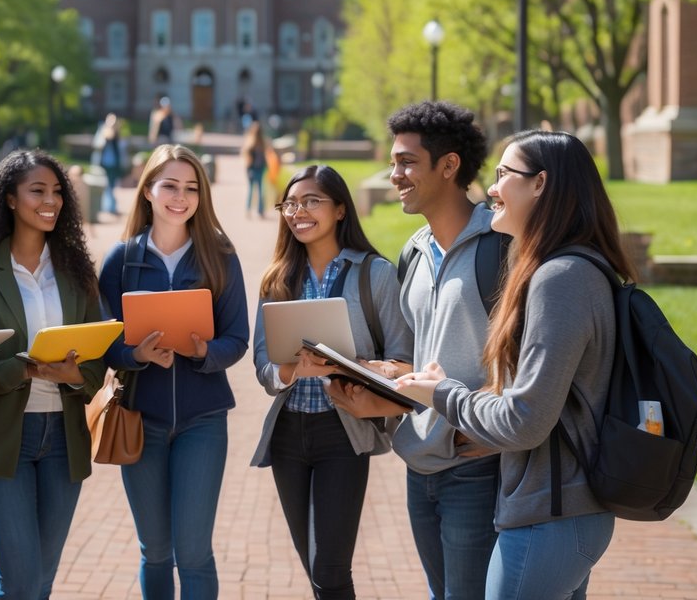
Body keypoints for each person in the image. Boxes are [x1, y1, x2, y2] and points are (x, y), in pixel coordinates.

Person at [398, 131, 627, 599]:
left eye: (504, 175)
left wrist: (442, 394)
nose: (492, 188)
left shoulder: (561, 278)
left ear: (540, 184)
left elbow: (523, 420)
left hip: (554, 512)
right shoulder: (561, 269)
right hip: (554, 508)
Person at [327, 100, 502, 600]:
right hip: (418, 461)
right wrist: (378, 376)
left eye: (406, 162)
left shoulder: (502, 245)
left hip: (475, 465)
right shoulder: (414, 251)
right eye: (393, 161)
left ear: (449, 166)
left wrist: (502, 435)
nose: (394, 174)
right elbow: (423, 358)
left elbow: (532, 355)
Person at [250, 164, 413, 599]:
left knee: (330, 567)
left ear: (340, 209)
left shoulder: (374, 274)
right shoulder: (277, 277)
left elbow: (402, 359)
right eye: (290, 203)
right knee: (314, 565)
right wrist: (290, 371)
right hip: (288, 435)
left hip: (342, 433)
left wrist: (358, 367)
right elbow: (264, 366)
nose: (297, 211)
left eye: (311, 201)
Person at [0, 150, 106, 600]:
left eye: (57, 192)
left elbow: (97, 366)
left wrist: (75, 375)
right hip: (4, 440)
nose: (51, 200)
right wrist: (24, 368)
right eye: (38, 190)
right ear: (11, 200)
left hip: (64, 439)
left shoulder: (78, 271)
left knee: (41, 580)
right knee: (18, 582)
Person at [99, 144, 250, 599]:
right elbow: (105, 344)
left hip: (203, 422)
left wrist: (205, 352)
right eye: (169, 186)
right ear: (147, 190)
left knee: (194, 551)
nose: (180, 197)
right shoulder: (121, 261)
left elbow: (237, 339)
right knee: (156, 551)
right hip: (140, 422)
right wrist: (135, 357)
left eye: (191, 188)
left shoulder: (218, 257)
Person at [92, 112, 127, 215]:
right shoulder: (102, 131)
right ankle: (107, 206)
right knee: (105, 184)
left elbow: (122, 148)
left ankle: (110, 206)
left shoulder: (118, 134)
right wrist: (104, 136)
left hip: (114, 163)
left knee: (112, 185)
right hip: (103, 163)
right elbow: (97, 145)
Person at [241, 121, 270, 219]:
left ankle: (260, 210)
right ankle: (249, 209)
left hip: (260, 169)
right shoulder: (251, 143)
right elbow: (247, 159)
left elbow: (265, 157)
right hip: (253, 169)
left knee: (260, 190)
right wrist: (249, 170)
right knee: (252, 190)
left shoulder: (262, 142)